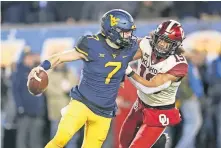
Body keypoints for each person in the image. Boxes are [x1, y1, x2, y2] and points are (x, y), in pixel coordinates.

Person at [28, 9, 138, 148]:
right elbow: (61, 57)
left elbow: (148, 46)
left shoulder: (130, 48)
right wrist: (43, 67)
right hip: (82, 104)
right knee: (60, 139)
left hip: (104, 112)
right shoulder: (92, 44)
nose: (129, 35)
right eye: (125, 31)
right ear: (112, 31)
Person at [119, 20, 188, 148]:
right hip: (140, 103)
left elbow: (148, 88)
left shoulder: (176, 64)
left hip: (159, 111)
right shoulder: (146, 44)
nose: (161, 44)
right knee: (123, 143)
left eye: (167, 42)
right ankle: (156, 144)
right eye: (160, 39)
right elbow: (124, 55)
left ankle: (155, 143)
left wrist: (128, 71)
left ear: (175, 46)